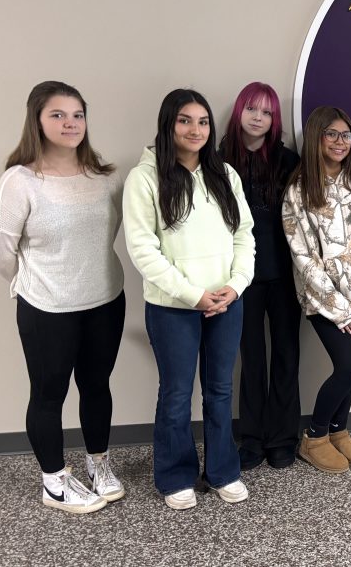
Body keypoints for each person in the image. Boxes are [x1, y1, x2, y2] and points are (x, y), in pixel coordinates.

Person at [0, 81, 126, 514]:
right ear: (37, 121)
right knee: (49, 395)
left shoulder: (105, 177)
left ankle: (97, 463)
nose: (70, 123)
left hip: (105, 300)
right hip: (48, 309)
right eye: (58, 115)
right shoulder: (20, 181)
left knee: (97, 387)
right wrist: (34, 283)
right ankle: (55, 482)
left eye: (77, 115)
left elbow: (112, 233)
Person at [123, 88, 255, 510]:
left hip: (227, 302)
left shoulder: (225, 175)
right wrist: (195, 296)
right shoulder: (144, 178)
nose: (195, 129)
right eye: (185, 120)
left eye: (202, 122)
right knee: (176, 394)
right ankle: (175, 476)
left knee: (219, 390)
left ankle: (222, 471)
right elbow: (143, 250)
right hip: (172, 307)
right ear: (168, 124)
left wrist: (235, 286)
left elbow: (244, 235)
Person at [283, 106, 351, 474]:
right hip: (325, 300)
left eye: (346, 135)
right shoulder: (300, 190)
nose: (340, 142)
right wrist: (336, 307)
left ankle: (338, 431)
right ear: (317, 136)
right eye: (332, 134)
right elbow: (303, 254)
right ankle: (313, 438)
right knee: (346, 368)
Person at [219, 83, 301, 471]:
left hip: (285, 274)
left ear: (274, 120)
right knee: (251, 359)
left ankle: (284, 437)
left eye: (266, 112)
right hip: (241, 278)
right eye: (251, 109)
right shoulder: (218, 161)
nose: (258, 117)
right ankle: (250, 438)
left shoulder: (289, 162)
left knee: (287, 355)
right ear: (239, 113)